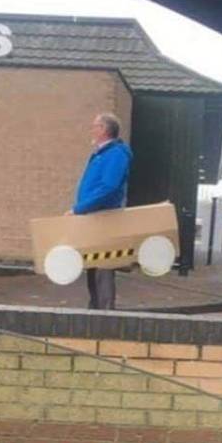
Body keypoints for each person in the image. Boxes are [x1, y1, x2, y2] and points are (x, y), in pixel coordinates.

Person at [66, 113, 133, 310]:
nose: (92, 130)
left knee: (103, 266)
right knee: (93, 265)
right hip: (94, 217)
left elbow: (108, 187)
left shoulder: (116, 154)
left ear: (104, 129)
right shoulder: (102, 153)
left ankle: (105, 314)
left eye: (95, 126)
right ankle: (95, 309)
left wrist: (80, 208)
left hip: (105, 217)